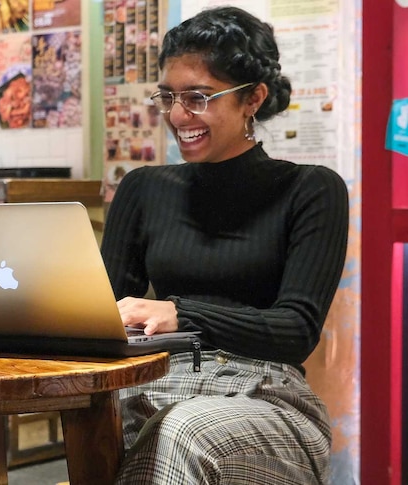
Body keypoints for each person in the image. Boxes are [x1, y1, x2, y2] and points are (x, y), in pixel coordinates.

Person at [101, 7, 347, 484]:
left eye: (198, 97)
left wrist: (181, 312)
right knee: (119, 428)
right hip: (151, 385)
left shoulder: (312, 189)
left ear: (253, 97)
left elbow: (297, 329)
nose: (177, 115)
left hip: (264, 396)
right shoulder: (142, 188)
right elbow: (104, 312)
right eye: (169, 96)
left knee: (178, 433)